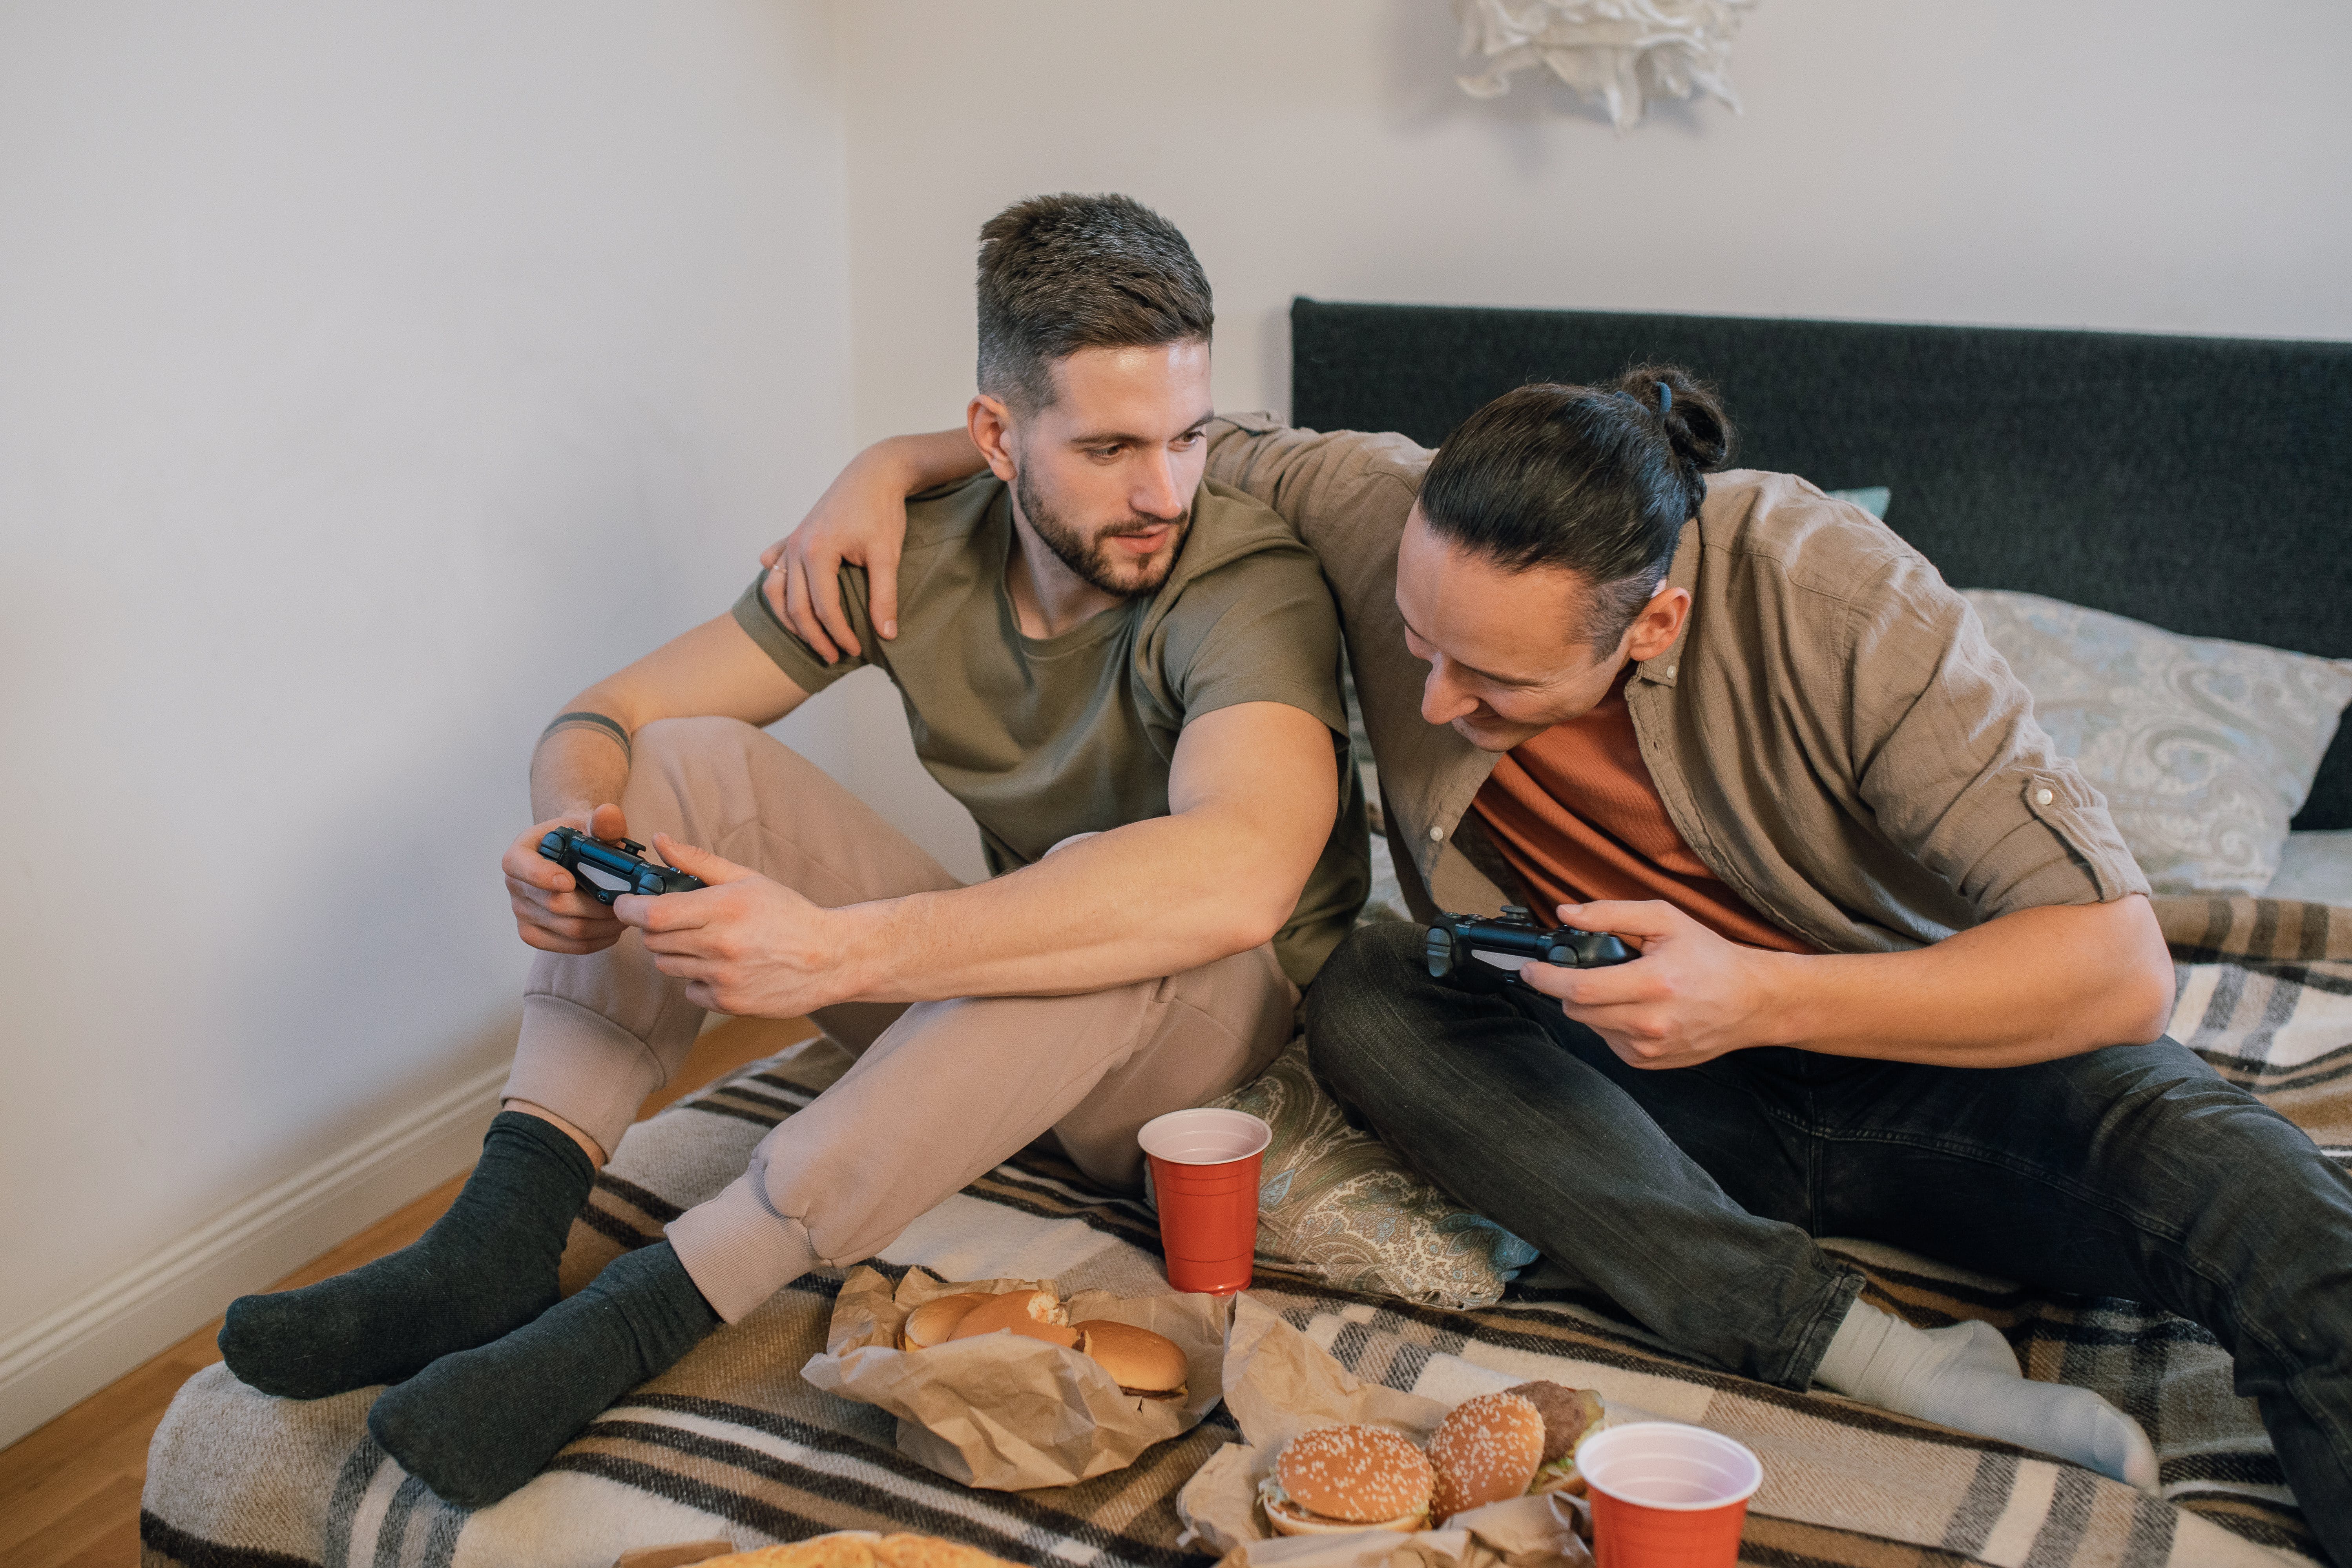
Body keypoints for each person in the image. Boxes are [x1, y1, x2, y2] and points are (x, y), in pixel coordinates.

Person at [771, 374, 2352, 1549]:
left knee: (2236, 1170)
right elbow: (1121, 432)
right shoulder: (1370, 501)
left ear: (1648, 627)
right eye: (1418, 643)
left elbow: (2116, 968)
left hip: (1916, 1062)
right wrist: (885, 466)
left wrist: (1758, 994)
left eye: (1497, 681)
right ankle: (1870, 1349)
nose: (1435, 705)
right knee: (1378, 991)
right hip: (1627, 1078)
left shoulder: (1847, 605)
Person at [215, 193, 1367, 1508]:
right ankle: (499, 1234)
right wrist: (566, 829)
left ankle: (632, 1324)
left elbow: (1237, 873)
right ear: (994, 434)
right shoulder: (907, 549)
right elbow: (607, 717)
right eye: (1108, 447)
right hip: (1011, 1045)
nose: (1162, 489)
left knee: (1111, 897)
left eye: (1186, 437)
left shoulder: (1242, 578)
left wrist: (833, 947)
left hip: (1217, 1063)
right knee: (683, 767)